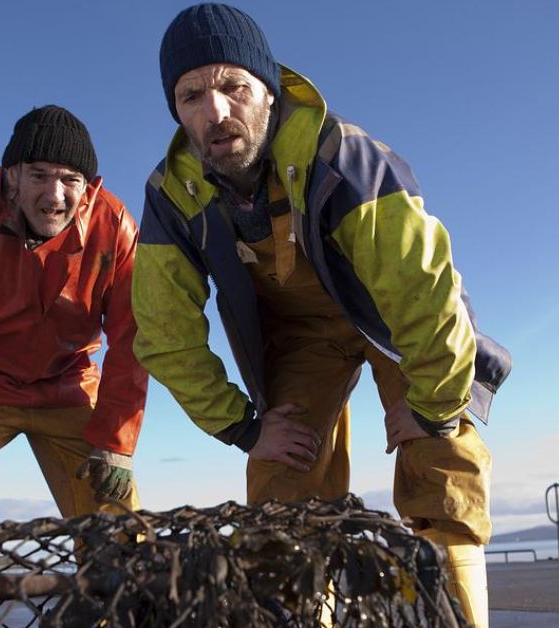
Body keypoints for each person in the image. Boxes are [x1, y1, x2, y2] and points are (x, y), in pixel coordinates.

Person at [132, 5, 511, 626]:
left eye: (234, 86)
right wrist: (244, 428)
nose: (215, 112)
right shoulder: (171, 195)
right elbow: (165, 331)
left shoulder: (345, 157)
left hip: (391, 321)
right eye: (191, 95)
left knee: (443, 459)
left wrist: (432, 405)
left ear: (268, 89)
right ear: (175, 109)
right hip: (301, 337)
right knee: (281, 482)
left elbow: (422, 290)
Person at [0, 105, 148, 526]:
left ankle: (120, 591)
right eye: (39, 175)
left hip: (67, 384)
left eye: (71, 180)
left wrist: (116, 442)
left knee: (116, 521)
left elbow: (134, 334)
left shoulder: (115, 224)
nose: (55, 196)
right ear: (11, 176)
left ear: (88, 187)